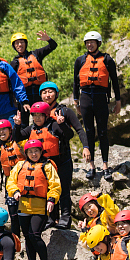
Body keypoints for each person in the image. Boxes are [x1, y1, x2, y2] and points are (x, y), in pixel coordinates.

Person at [37, 81, 91, 229]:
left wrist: (85, 147)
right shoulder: (39, 114)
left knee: (64, 189)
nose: (47, 95)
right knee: (48, 189)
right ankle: (51, 219)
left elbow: (79, 130)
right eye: (44, 93)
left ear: (56, 94)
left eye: (50, 92)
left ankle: (65, 217)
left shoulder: (65, 112)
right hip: (46, 161)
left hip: (63, 158)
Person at [5, 139, 61, 260]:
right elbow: (10, 181)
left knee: (35, 234)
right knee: (27, 236)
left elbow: (55, 185)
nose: (34, 154)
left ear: (41, 152)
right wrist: (15, 191)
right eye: (31, 151)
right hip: (23, 207)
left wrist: (52, 199)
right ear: (26, 153)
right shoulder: (19, 165)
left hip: (40, 207)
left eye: (36, 151)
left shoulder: (47, 166)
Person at [73, 31, 121, 181]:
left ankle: (105, 166)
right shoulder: (80, 60)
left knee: (102, 132)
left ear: (98, 43)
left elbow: (114, 80)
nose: (89, 44)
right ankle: (91, 166)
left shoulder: (107, 60)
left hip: (101, 98)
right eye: (87, 42)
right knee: (88, 131)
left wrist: (118, 101)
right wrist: (76, 101)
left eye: (92, 42)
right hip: (85, 98)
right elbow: (75, 82)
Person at [10, 31, 58, 124]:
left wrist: (48, 39)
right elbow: (12, 84)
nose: (20, 45)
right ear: (14, 46)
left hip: (39, 94)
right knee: (24, 122)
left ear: (26, 44)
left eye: (22, 42)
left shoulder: (37, 54)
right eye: (17, 43)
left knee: (44, 118)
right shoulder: (14, 63)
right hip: (25, 96)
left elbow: (53, 46)